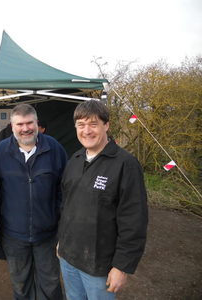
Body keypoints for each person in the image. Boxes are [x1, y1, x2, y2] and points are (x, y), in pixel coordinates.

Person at [57, 100, 148, 300]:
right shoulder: (75, 159)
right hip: (68, 258)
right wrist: (61, 242)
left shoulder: (126, 164)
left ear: (106, 125)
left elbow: (134, 220)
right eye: (81, 125)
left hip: (100, 267)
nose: (87, 131)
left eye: (93, 124)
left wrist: (121, 267)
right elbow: (67, 206)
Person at [0, 104, 68, 300]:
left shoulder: (55, 149)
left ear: (37, 123)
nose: (25, 128)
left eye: (29, 123)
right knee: (21, 286)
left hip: (48, 236)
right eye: (20, 124)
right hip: (14, 237)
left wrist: (58, 220)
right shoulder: (0, 153)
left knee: (50, 285)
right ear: (12, 126)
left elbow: (65, 190)